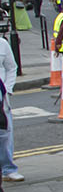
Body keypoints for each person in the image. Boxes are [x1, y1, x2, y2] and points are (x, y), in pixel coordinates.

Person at [0, 37, 20, 183]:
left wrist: (7, 89)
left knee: (5, 135)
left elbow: (11, 67)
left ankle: (8, 169)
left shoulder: (2, 44)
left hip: (1, 97)